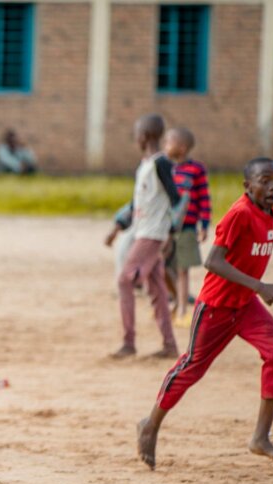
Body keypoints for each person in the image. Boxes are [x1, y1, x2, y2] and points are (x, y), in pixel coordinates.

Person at [137, 158, 273, 469]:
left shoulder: (271, 210)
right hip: (216, 307)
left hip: (245, 305)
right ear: (247, 186)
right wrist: (259, 286)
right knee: (192, 366)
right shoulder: (239, 214)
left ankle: (260, 437)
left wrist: (253, 290)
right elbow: (213, 262)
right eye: (264, 180)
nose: (272, 187)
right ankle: (150, 424)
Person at [104, 114, 181, 359]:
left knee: (124, 281)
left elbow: (176, 199)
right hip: (142, 231)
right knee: (157, 289)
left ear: (144, 136)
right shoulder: (145, 165)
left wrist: (170, 233)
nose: (135, 139)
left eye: (137, 134)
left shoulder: (162, 164)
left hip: (152, 234)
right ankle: (169, 346)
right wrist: (118, 227)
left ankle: (129, 343)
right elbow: (137, 202)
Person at [164, 127, 212, 328]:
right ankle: (172, 300)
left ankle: (183, 308)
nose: (165, 146)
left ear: (182, 148)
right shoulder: (164, 168)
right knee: (163, 266)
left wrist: (204, 224)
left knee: (183, 269)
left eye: (169, 142)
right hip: (164, 229)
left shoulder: (196, 170)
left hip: (187, 228)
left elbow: (204, 199)